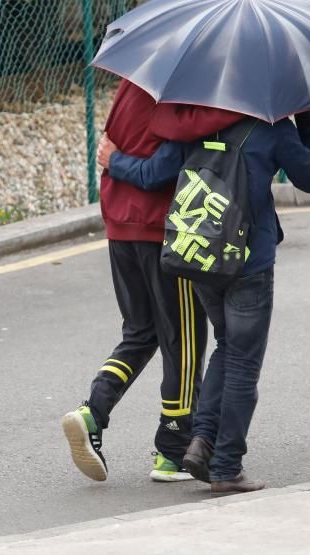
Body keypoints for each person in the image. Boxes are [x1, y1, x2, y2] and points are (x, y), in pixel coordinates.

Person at [100, 112, 310, 495]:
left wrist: (114, 160)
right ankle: (226, 465)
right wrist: (307, 123)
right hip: (249, 261)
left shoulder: (192, 122)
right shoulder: (273, 130)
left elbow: (153, 174)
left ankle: (201, 442)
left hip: (202, 257)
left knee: (227, 347)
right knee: (243, 363)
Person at [61, 79, 242, 483]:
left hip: (120, 229)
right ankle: (173, 451)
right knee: (185, 341)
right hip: (161, 233)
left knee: (140, 331)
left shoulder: (130, 85)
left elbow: (108, 151)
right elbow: (163, 167)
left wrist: (116, 162)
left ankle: (93, 410)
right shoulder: (177, 94)